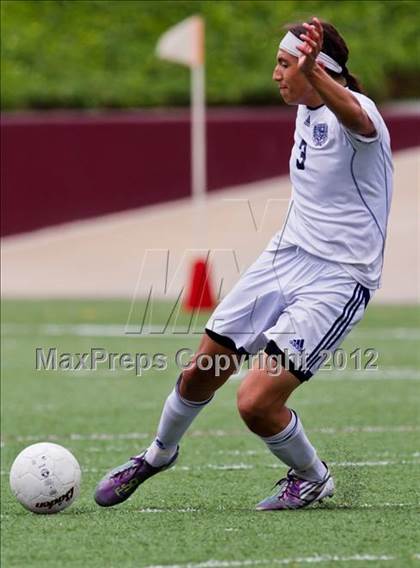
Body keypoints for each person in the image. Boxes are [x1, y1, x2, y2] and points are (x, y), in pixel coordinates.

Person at [94, 17, 393, 510]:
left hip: (338, 278)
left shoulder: (359, 113)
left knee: (255, 403)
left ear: (317, 69)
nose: (275, 74)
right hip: (285, 256)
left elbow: (356, 118)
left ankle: (313, 476)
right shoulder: (305, 105)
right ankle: (157, 454)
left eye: (283, 64)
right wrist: (308, 73)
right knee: (201, 371)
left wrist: (314, 72)